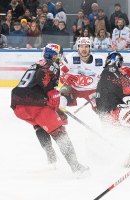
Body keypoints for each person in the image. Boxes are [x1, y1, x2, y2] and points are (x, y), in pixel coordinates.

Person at [10, 43, 89, 176]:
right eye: (58, 56)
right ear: (54, 55)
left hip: (18, 104)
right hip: (35, 103)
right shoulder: (51, 64)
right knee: (60, 132)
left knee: (39, 125)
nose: (59, 58)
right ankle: (76, 167)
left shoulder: (37, 63)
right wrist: (51, 95)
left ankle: (51, 156)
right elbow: (46, 82)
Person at [59, 37, 105, 111]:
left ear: (90, 48)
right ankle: (60, 110)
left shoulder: (100, 60)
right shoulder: (71, 57)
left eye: (86, 46)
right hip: (73, 88)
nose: (84, 49)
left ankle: (108, 119)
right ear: (78, 48)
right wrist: (65, 77)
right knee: (63, 92)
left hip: (92, 90)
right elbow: (60, 71)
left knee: (100, 109)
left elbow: (110, 72)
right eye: (81, 46)